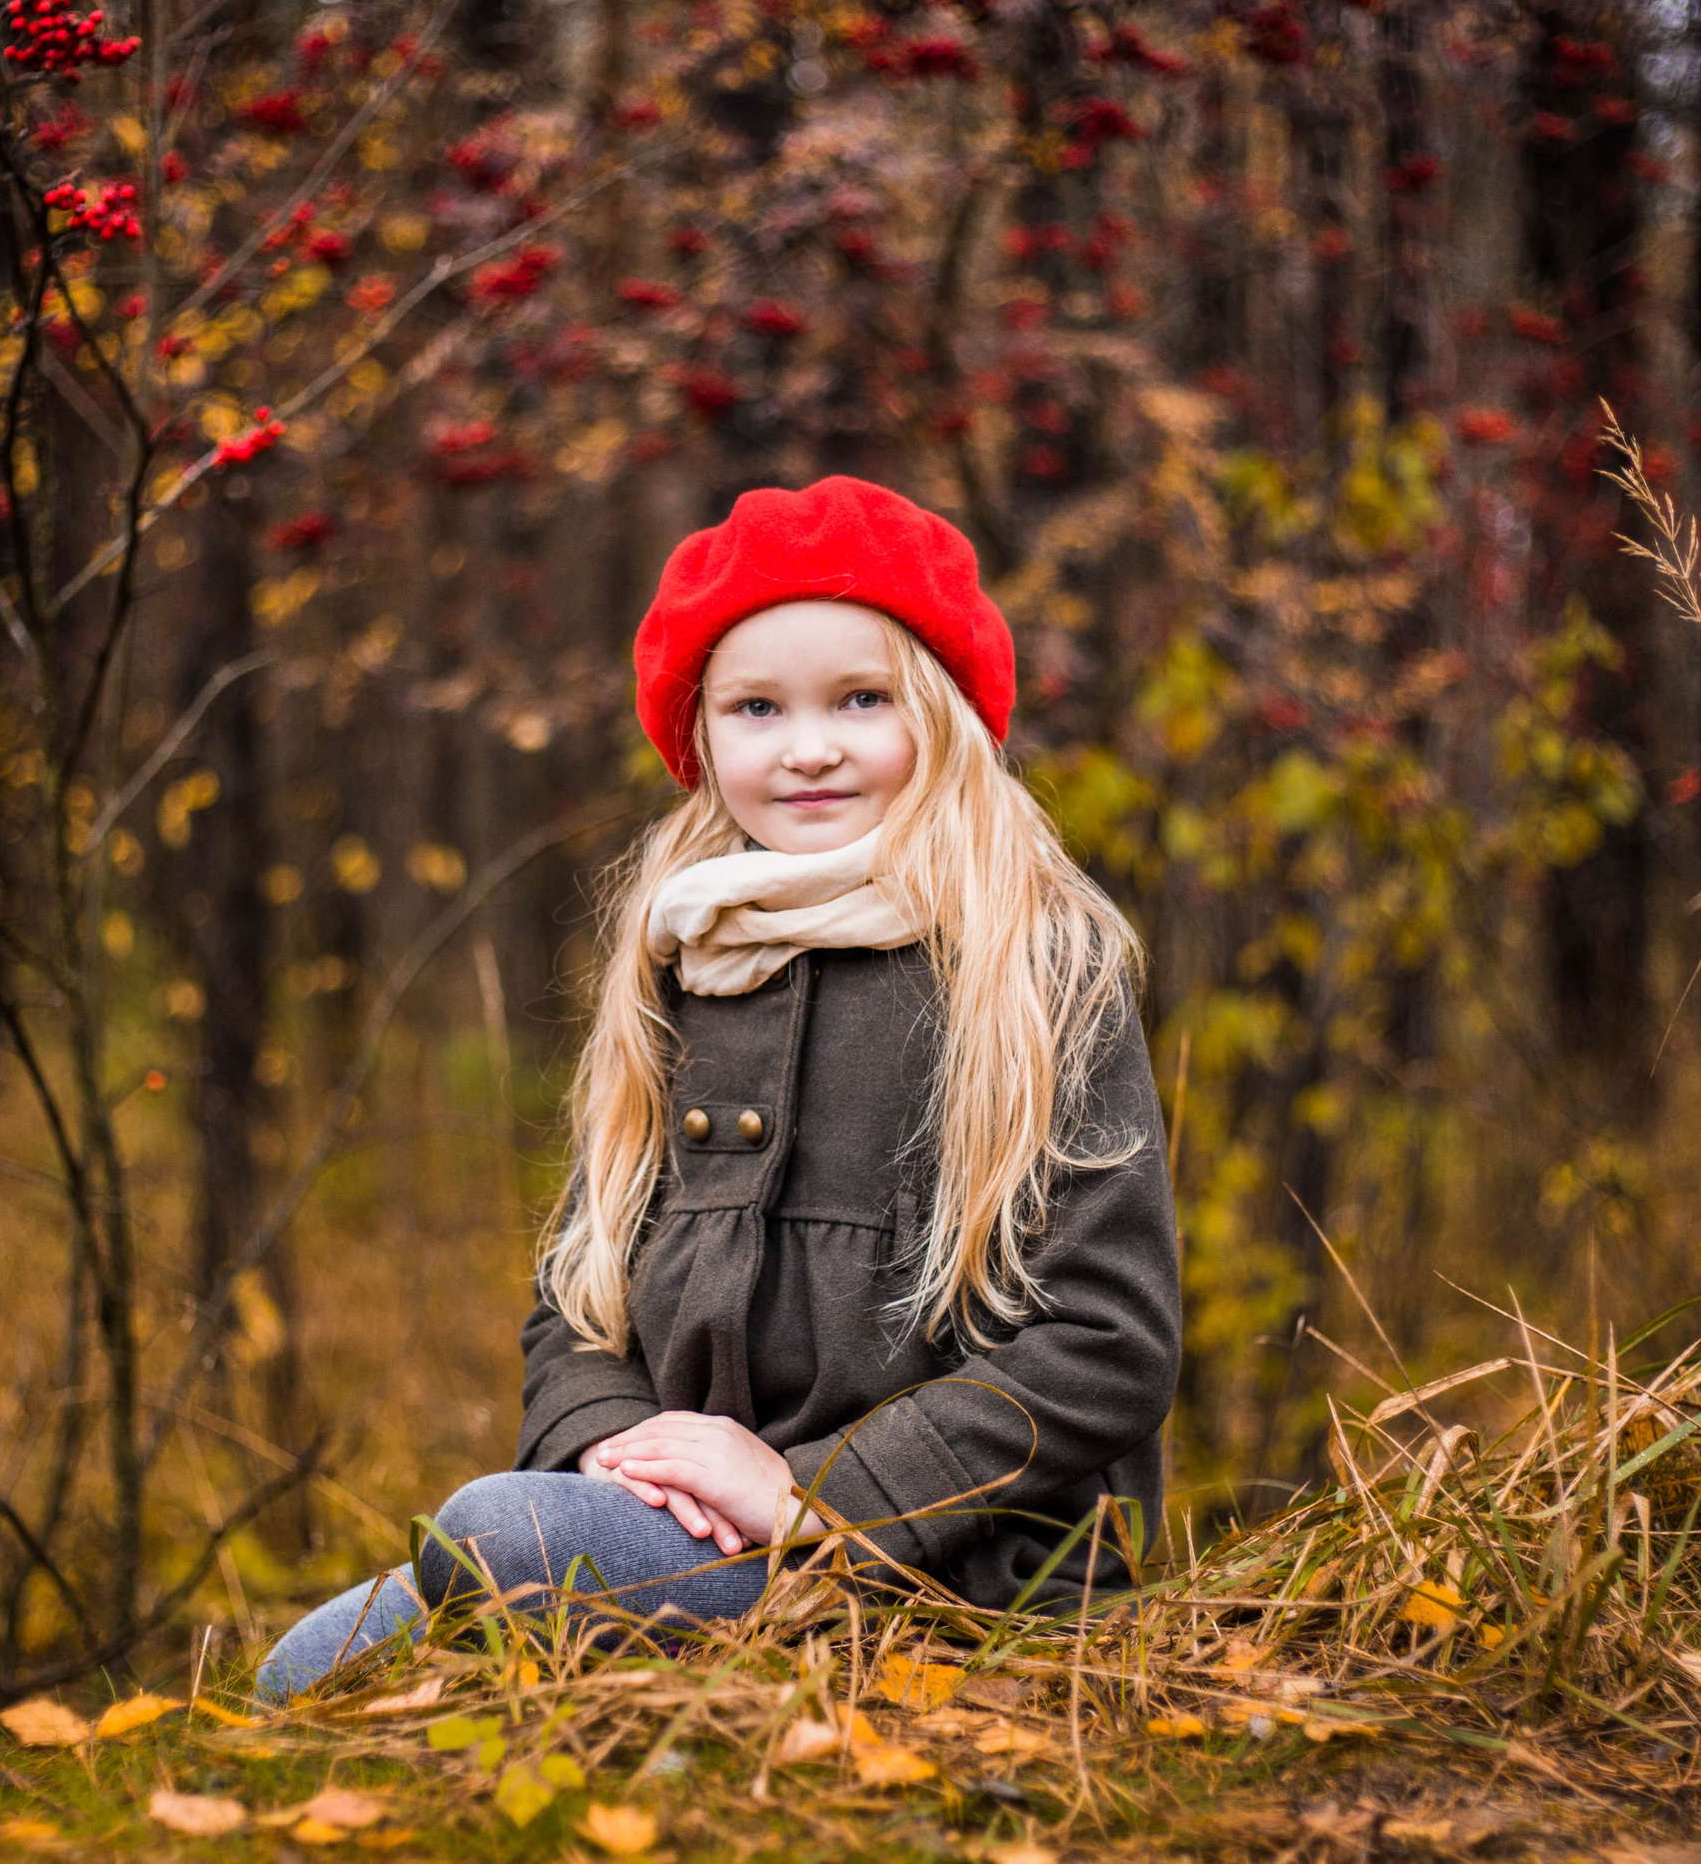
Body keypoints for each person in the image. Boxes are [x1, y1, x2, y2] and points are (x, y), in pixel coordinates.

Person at [255, 475, 1180, 1700]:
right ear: (703, 737)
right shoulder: (687, 960)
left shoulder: (1033, 966)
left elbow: (1104, 1345)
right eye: (756, 707)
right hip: (697, 1540)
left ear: (947, 719)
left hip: (945, 1573)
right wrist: (616, 1454)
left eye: (862, 699)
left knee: (492, 1532)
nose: (807, 747)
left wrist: (809, 1499)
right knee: (301, 1670)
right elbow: (575, 1302)